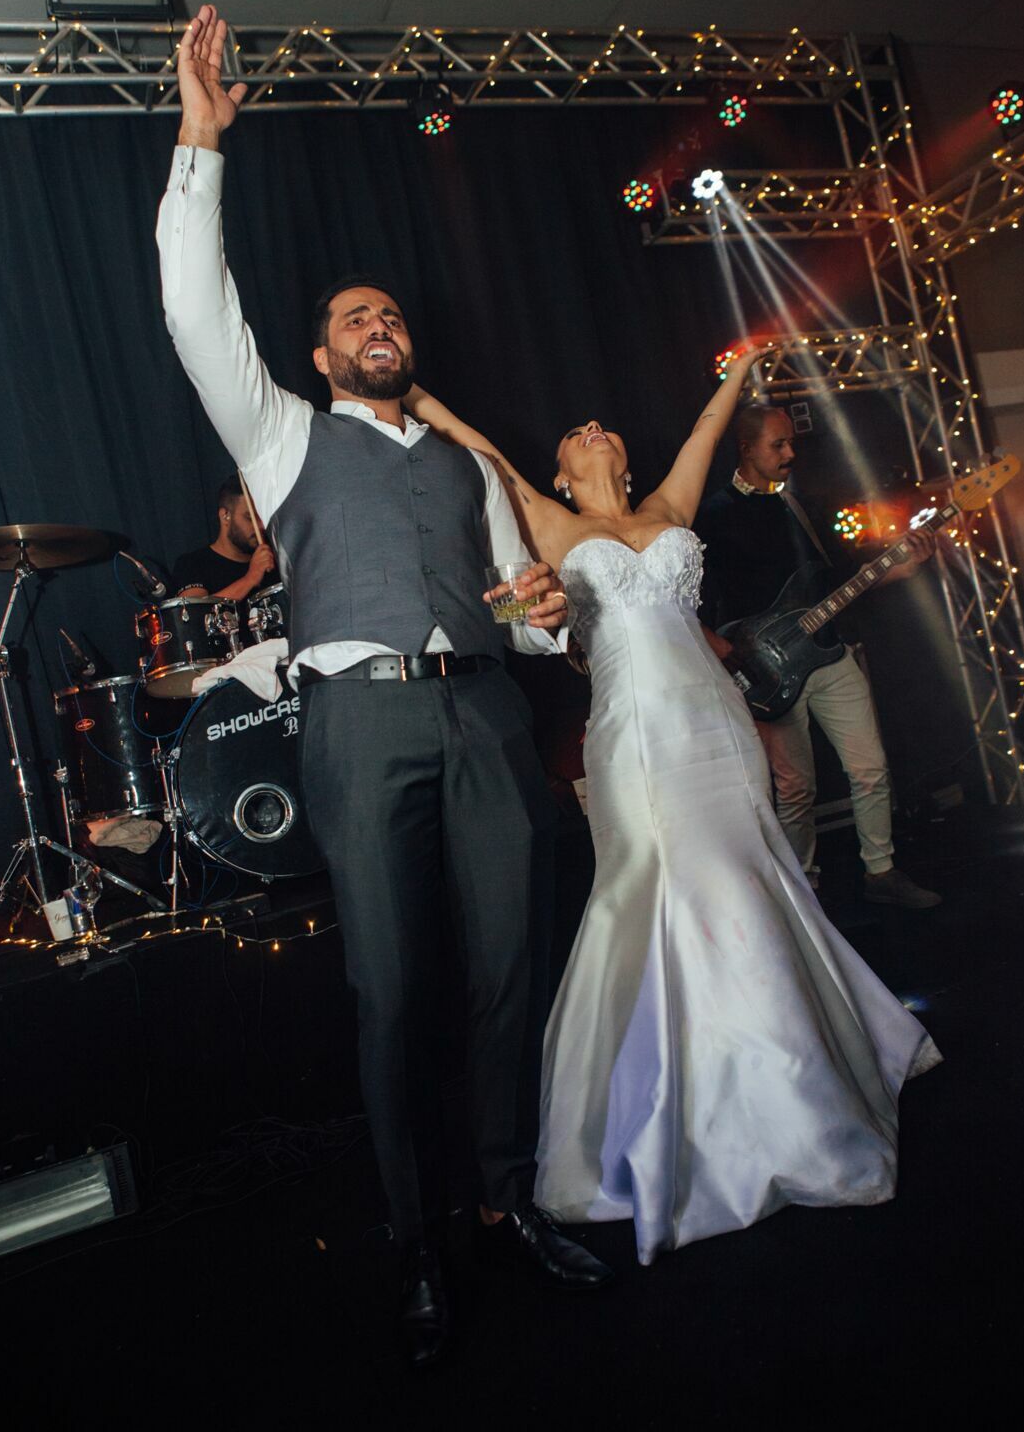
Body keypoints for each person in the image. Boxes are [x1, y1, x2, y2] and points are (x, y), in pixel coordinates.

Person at [156, 4, 612, 1368]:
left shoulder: (468, 466)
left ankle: (506, 1192)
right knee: (393, 990)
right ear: (316, 356)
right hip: (356, 720)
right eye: (354, 316)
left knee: (508, 966)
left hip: (479, 710)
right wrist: (199, 141)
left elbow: (519, 618)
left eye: (391, 312)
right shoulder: (285, 438)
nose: (379, 323)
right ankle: (417, 1239)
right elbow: (194, 301)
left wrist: (537, 618)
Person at [403, 359, 941, 1267]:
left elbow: (702, 432)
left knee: (752, 878)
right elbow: (483, 451)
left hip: (717, 727)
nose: (589, 427)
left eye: (598, 426)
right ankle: (693, 1115)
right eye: (573, 437)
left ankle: (796, 1085)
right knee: (662, 891)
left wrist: (741, 367)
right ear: (564, 473)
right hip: (636, 740)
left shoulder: (668, 508)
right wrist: (417, 399)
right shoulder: (550, 516)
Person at [694, 405, 941, 908]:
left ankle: (882, 870)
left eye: (791, 443)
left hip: (828, 652)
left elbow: (845, 579)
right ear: (746, 449)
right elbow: (693, 598)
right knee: (796, 789)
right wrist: (724, 647)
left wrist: (905, 566)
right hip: (764, 668)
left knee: (871, 768)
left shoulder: (802, 504)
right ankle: (804, 888)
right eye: (777, 445)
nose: (790, 453)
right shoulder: (713, 515)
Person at [172, 472, 277, 600]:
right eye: (250, 517)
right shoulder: (192, 564)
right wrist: (250, 578)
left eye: (262, 516)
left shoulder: (275, 557)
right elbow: (194, 614)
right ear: (225, 516)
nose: (260, 525)